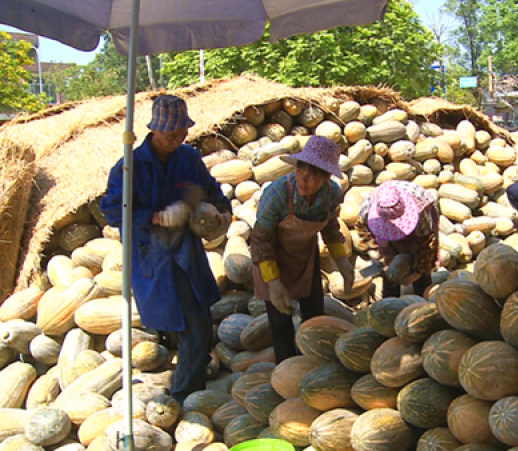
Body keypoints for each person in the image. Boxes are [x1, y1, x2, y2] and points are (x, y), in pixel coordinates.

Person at [100, 95, 232, 405]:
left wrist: (223, 214)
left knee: (195, 323)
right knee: (191, 329)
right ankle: (186, 397)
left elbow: (213, 191)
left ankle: (187, 390)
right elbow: (113, 212)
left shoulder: (188, 158)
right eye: (171, 134)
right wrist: (156, 217)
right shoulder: (129, 167)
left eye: (182, 132)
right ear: (155, 130)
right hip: (153, 256)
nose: (178, 139)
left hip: (186, 252)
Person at [250, 136, 354, 364]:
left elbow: (330, 227)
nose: (304, 179)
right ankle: (286, 369)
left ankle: (315, 365)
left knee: (314, 316)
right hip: (271, 260)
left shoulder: (331, 195)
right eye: (300, 170)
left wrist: (343, 261)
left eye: (313, 174)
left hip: (304, 259)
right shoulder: (276, 195)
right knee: (280, 324)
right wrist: (274, 283)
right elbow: (260, 241)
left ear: (326, 178)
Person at [356, 180, 439, 298]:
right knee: (389, 269)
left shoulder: (422, 212)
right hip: (387, 240)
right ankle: (390, 299)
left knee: (421, 270)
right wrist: (374, 251)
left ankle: (423, 295)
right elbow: (363, 230)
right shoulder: (367, 210)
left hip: (419, 234)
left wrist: (417, 273)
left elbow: (427, 244)